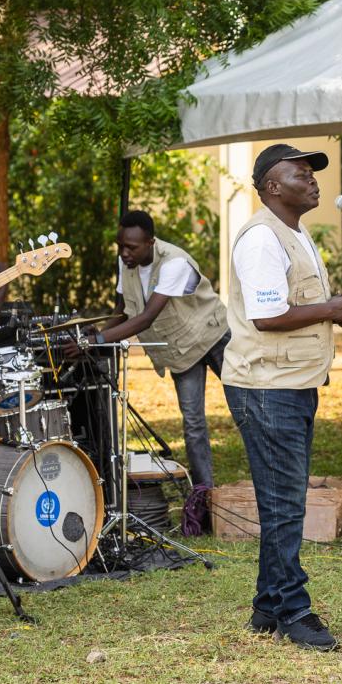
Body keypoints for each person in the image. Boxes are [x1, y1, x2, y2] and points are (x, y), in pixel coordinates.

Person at [221, 143, 342, 650]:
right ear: (272, 186)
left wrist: (335, 311)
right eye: (300, 174)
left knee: (283, 499)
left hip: (291, 384)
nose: (312, 179)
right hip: (266, 388)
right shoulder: (262, 238)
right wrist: (330, 309)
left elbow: (297, 307)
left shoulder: (295, 234)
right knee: (284, 504)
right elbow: (267, 317)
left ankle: (267, 605)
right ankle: (294, 611)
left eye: (312, 173)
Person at [97, 210, 229, 506]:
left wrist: (99, 340)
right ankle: (204, 496)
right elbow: (123, 310)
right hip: (182, 349)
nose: (124, 253)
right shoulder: (126, 263)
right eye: (121, 246)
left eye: (131, 247)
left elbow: (146, 318)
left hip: (213, 336)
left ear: (151, 243)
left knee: (245, 408)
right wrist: (94, 335)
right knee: (193, 423)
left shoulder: (174, 263)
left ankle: (267, 478)